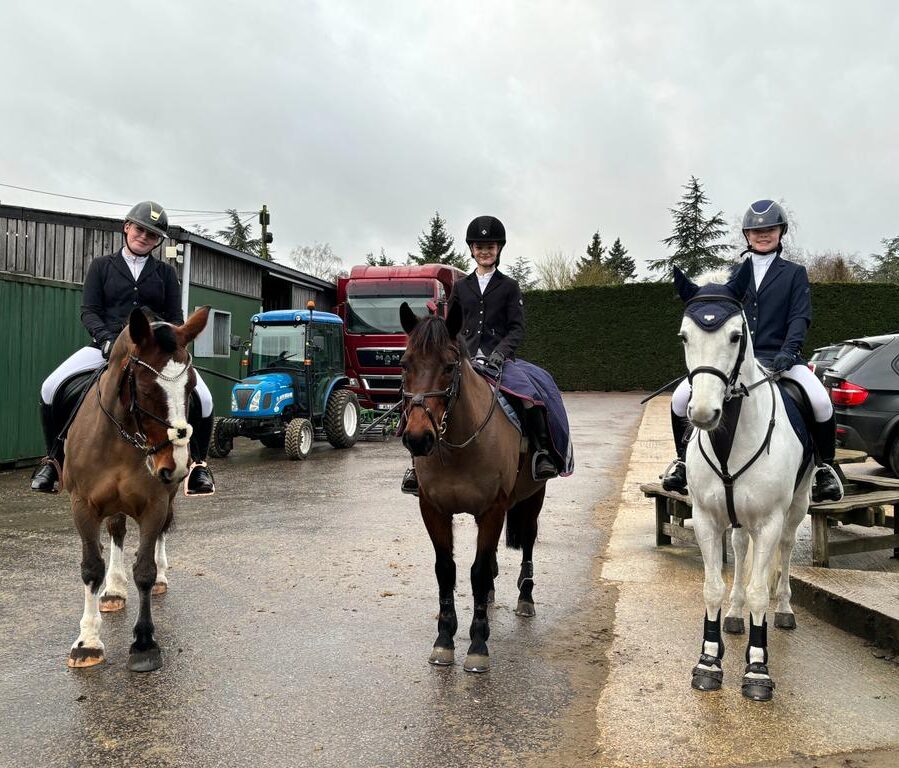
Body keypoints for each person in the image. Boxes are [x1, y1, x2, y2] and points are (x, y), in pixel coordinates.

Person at [662, 199, 843, 503]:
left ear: (780, 232)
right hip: (735, 362)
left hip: (781, 359)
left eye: (769, 229)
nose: (763, 234)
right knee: (681, 398)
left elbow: (800, 317)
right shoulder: (734, 275)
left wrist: (790, 350)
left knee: (820, 401)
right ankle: (682, 461)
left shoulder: (794, 273)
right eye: (756, 230)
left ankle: (825, 468)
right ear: (746, 235)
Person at [30, 200, 216, 496]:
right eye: (140, 229)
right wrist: (105, 339)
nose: (144, 236)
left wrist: (166, 345)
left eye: (152, 234)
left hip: (152, 353)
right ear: (127, 227)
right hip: (105, 346)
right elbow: (89, 310)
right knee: (50, 387)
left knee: (204, 398)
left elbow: (175, 319)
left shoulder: (166, 273)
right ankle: (53, 460)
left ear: (157, 241)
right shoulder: (102, 266)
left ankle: (198, 466)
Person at [401, 215, 558, 495]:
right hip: (465, 358)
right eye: (479, 246)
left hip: (500, 361)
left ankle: (542, 454)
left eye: (490, 246)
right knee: (422, 396)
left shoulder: (509, 286)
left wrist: (500, 354)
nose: (485, 251)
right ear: (472, 250)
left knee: (530, 396)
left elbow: (516, 329)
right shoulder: (461, 286)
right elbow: (450, 328)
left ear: (498, 249)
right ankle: (416, 464)